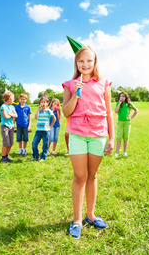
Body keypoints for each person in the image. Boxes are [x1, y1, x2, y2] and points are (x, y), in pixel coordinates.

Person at [62, 44, 114, 238]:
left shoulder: (104, 84)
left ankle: (90, 215)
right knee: (80, 176)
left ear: (95, 62)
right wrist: (76, 92)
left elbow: (109, 112)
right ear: (76, 63)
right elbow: (65, 112)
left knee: (92, 175)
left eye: (89, 60)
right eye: (81, 61)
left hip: (98, 134)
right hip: (76, 133)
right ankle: (77, 220)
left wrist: (112, 137)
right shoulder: (69, 84)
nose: (85, 64)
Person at [31, 95, 56, 161]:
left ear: (47, 103)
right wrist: (38, 110)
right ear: (40, 103)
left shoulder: (49, 111)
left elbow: (54, 118)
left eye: (45, 102)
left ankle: (43, 157)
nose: (43, 104)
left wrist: (50, 126)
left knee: (45, 144)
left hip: (46, 131)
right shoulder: (39, 110)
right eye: (42, 102)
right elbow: (36, 117)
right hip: (38, 131)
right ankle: (36, 157)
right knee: (34, 144)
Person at [114, 92, 138, 157]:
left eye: (123, 96)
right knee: (119, 138)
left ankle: (125, 152)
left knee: (125, 138)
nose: (122, 97)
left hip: (127, 123)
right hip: (120, 122)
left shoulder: (129, 104)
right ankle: (116, 153)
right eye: (120, 96)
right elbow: (116, 111)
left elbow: (136, 110)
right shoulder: (118, 104)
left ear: (126, 97)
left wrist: (131, 117)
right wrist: (119, 103)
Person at [0, 92, 17, 163]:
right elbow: (5, 117)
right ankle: (3, 158)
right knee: (6, 143)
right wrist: (12, 114)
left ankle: (6, 156)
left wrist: (10, 114)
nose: (13, 100)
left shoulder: (12, 107)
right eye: (13, 98)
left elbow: (16, 115)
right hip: (5, 127)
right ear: (9, 98)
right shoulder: (3, 106)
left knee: (11, 143)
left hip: (11, 127)